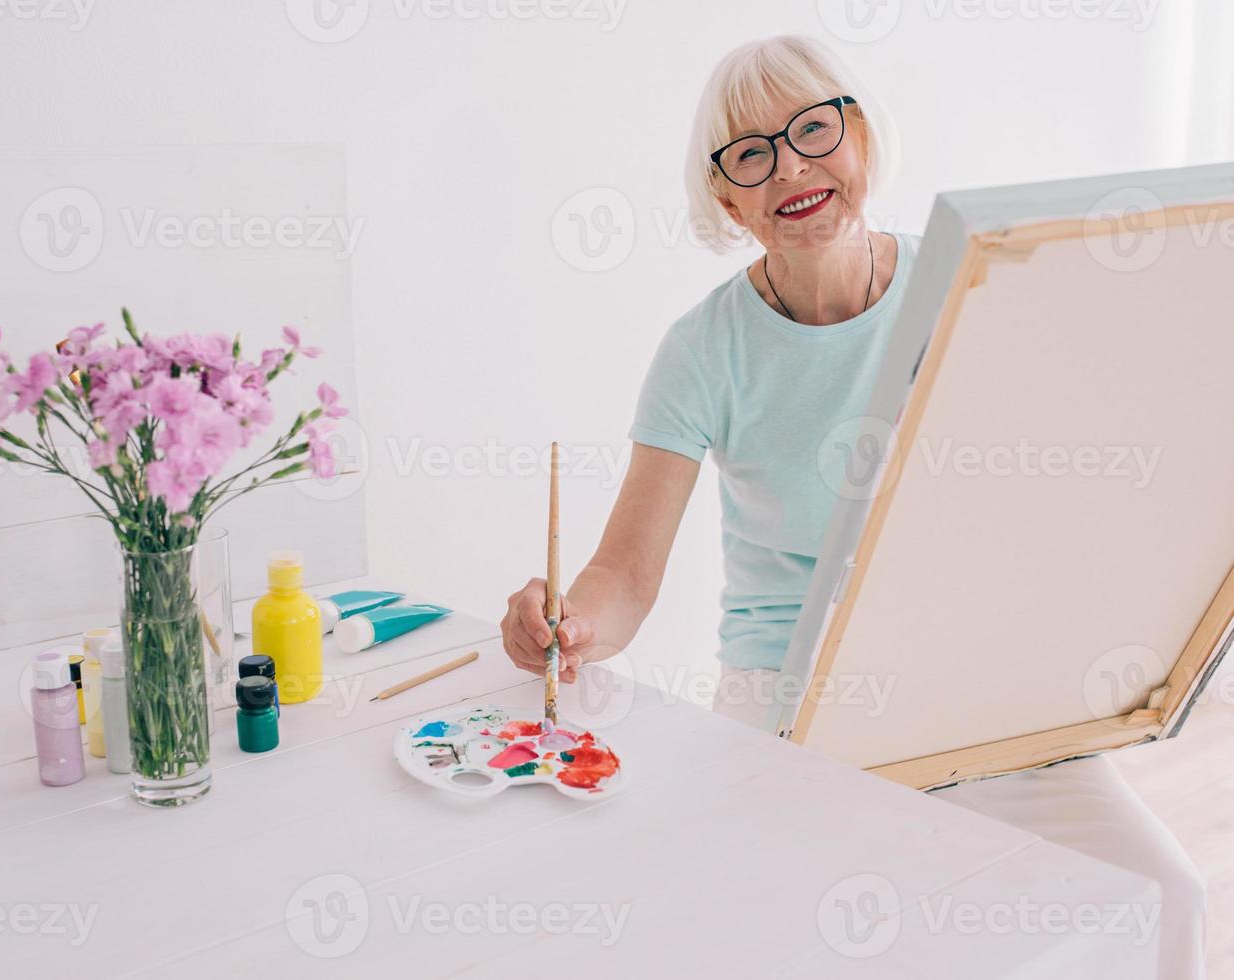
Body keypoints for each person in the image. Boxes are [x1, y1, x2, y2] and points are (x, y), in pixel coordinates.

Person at [500, 34, 1205, 976]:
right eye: (750, 153)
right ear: (727, 199)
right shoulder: (700, 349)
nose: (791, 165)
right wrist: (571, 623)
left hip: (959, 668)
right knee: (824, 926)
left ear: (860, 136)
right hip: (783, 686)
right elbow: (624, 574)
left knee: (1169, 894)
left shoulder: (967, 281)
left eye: (812, 129)